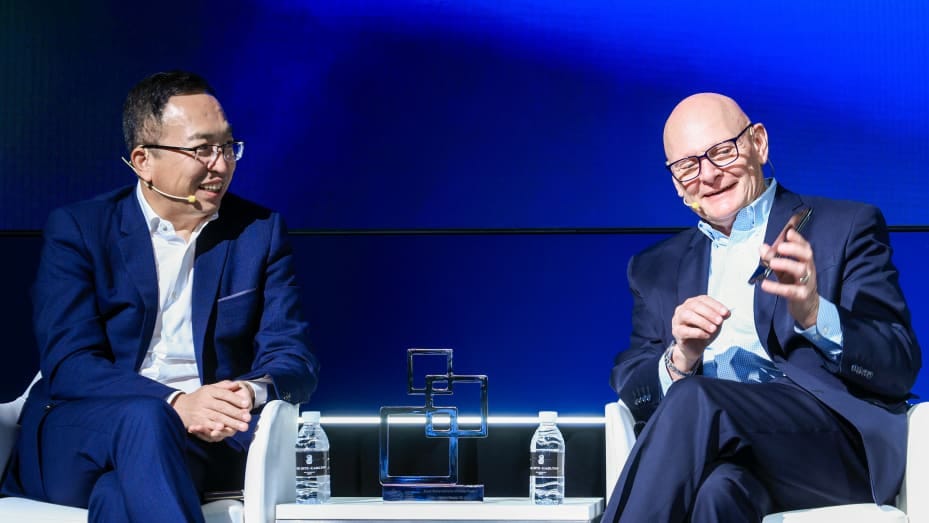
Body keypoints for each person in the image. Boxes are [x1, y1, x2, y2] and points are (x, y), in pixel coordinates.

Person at [0, 71, 319, 522]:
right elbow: (70, 364)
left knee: (118, 497)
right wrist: (175, 402)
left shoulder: (257, 233)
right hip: (79, 436)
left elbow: (295, 360)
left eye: (228, 147)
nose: (221, 164)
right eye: (201, 149)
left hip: (198, 444)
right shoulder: (80, 229)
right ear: (142, 160)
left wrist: (246, 391)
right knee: (148, 418)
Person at [602, 93, 921, 522]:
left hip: (826, 451)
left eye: (721, 152)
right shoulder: (654, 269)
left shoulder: (845, 227)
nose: (708, 176)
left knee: (696, 399)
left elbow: (898, 364)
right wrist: (681, 358)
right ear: (676, 183)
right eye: (688, 166)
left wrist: (814, 314)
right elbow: (633, 383)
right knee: (719, 493)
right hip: (724, 456)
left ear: (758, 143)